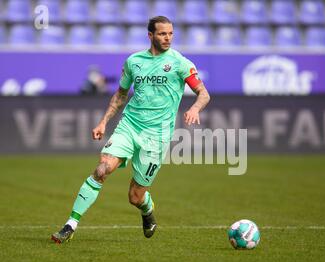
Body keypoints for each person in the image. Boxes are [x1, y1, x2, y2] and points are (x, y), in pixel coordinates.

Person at [51, 16, 210, 243]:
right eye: (163, 34)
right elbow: (121, 95)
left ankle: (147, 211)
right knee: (102, 169)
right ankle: (70, 225)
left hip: (157, 136)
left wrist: (195, 109)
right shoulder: (134, 61)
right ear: (150, 35)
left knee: (135, 196)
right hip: (130, 126)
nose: (168, 38)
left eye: (171, 34)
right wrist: (104, 121)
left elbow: (204, 93)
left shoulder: (180, 63)